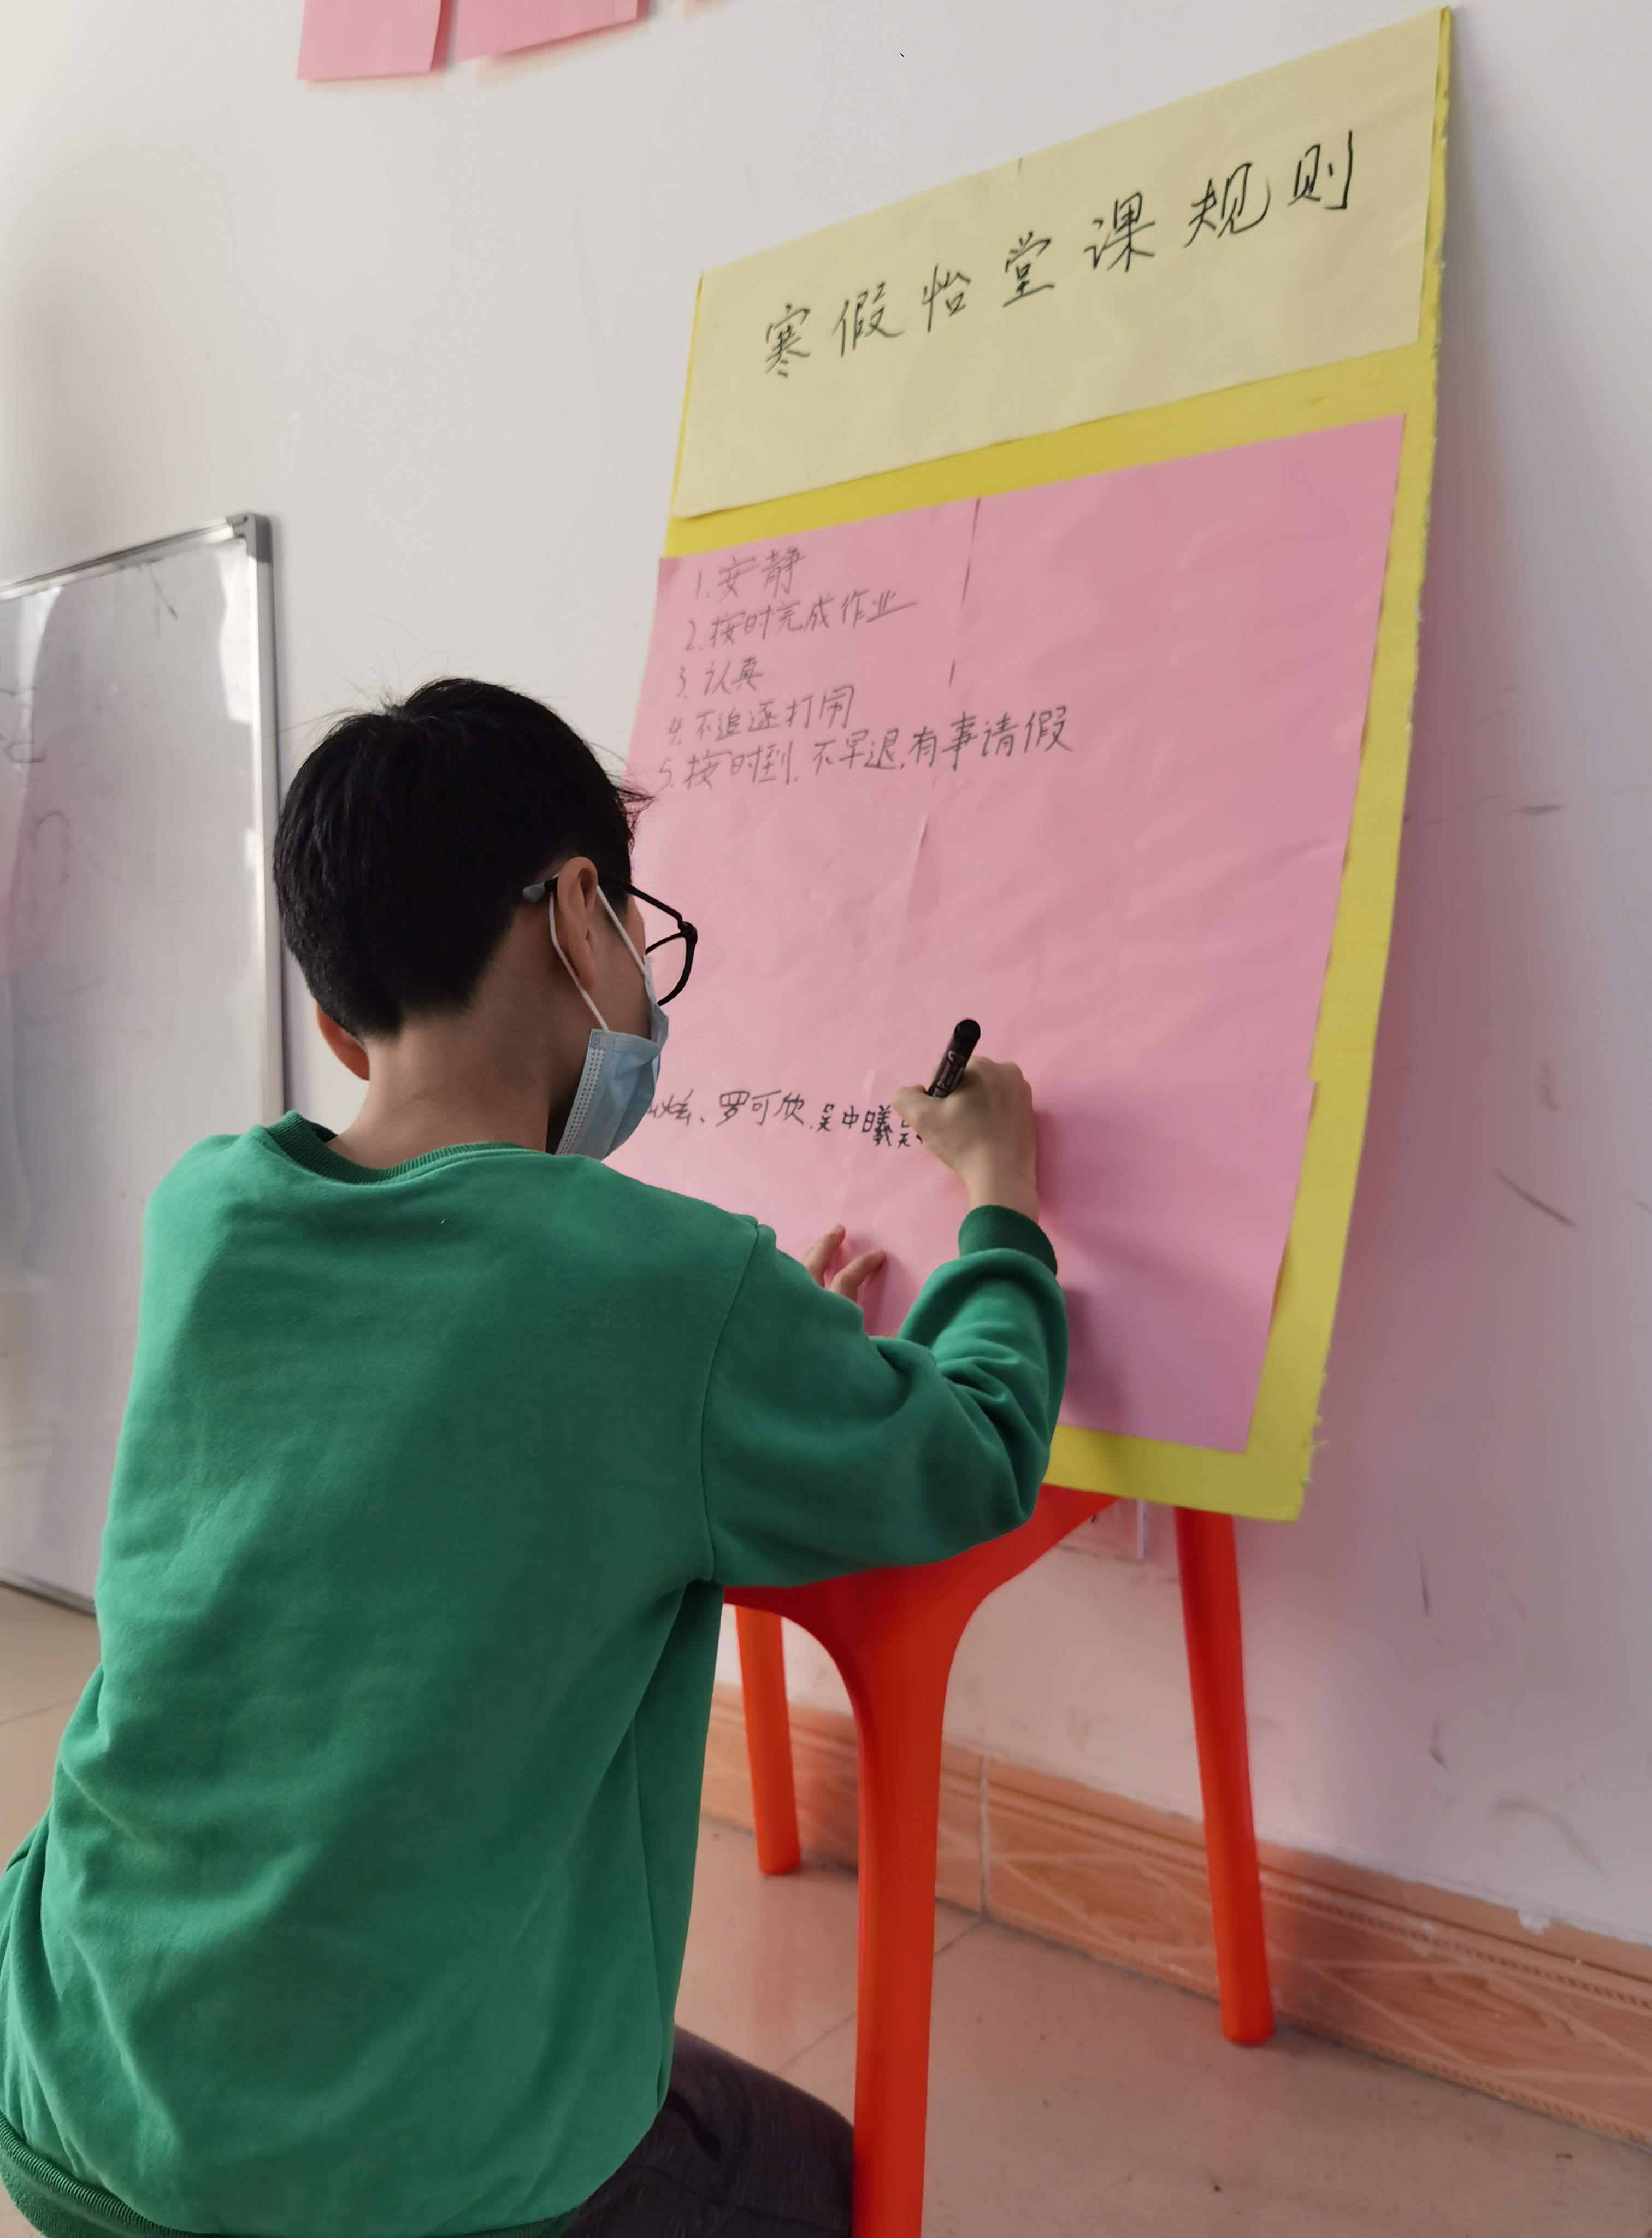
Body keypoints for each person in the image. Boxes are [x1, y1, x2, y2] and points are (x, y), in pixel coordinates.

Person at [0, 679, 1067, 2238]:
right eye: (642, 934)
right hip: (397, 2184)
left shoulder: (207, 1211)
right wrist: (1001, 1201)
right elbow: (973, 1454)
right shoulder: (659, 1288)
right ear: (578, 913)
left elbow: (455, 1412)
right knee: (827, 2185)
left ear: (337, 1022)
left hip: (70, 2080)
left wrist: (737, 1363)